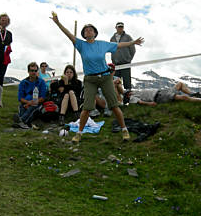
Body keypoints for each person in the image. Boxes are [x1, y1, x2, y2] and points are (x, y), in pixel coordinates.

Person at [50, 11, 144, 143]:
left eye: (91, 30)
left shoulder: (102, 44)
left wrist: (132, 42)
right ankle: (79, 133)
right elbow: (68, 34)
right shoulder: (81, 45)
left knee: (114, 105)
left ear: (95, 33)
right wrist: (58, 22)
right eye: (86, 30)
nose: (88, 31)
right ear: (84, 34)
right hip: (90, 80)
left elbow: (119, 45)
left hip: (105, 77)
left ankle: (124, 130)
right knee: (87, 107)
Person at [124, 82, 201, 106]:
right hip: (159, 97)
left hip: (161, 92)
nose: (130, 91)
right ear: (128, 95)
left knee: (180, 84)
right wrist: (149, 104)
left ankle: (195, 95)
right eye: (128, 92)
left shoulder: (135, 92)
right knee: (183, 97)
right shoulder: (132, 97)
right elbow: (139, 102)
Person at [14, 62, 47, 129]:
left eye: (35, 71)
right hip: (25, 103)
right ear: (28, 71)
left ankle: (21, 121)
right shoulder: (23, 82)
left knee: (33, 108)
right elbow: (20, 98)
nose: (34, 72)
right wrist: (28, 103)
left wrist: (32, 103)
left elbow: (43, 97)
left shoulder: (41, 82)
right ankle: (24, 123)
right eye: (32, 71)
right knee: (23, 108)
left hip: (36, 103)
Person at [110, 22, 136, 90]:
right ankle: (117, 97)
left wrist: (129, 59)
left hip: (125, 63)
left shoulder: (128, 37)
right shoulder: (112, 38)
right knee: (115, 81)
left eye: (122, 27)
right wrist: (113, 59)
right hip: (115, 64)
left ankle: (128, 97)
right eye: (119, 27)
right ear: (116, 28)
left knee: (127, 81)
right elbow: (111, 49)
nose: (120, 28)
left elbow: (132, 49)